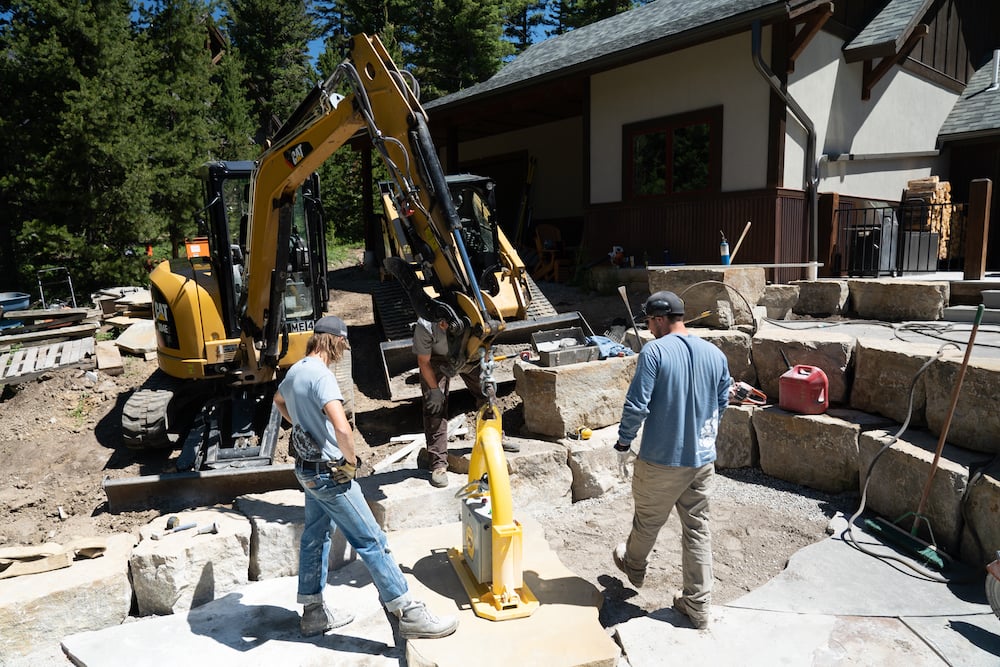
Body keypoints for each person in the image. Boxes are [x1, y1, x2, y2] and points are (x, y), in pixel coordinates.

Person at [273, 315, 458, 640]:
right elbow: (343, 426)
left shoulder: (296, 371)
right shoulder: (322, 375)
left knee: (315, 538)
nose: (343, 350)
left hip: (306, 470)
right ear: (334, 342)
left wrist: (304, 426)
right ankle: (409, 612)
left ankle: (313, 613)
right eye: (343, 344)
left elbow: (279, 402)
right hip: (331, 472)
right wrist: (350, 461)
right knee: (372, 541)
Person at [611, 291, 730, 630]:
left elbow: (637, 404)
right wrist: (701, 434)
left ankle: (633, 566)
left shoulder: (654, 352)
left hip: (662, 459)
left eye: (649, 322)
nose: (648, 329)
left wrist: (623, 443)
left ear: (660, 319)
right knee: (698, 528)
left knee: (648, 521)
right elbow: (721, 403)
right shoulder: (715, 353)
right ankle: (698, 605)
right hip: (702, 460)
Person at [413, 316, 519, 488]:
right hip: (436, 359)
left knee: (487, 394)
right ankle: (438, 464)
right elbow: (423, 361)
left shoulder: (473, 315)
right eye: (442, 324)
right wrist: (434, 390)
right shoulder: (425, 325)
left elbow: (486, 343)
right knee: (434, 406)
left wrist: (486, 371)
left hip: (470, 354)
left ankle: (495, 436)